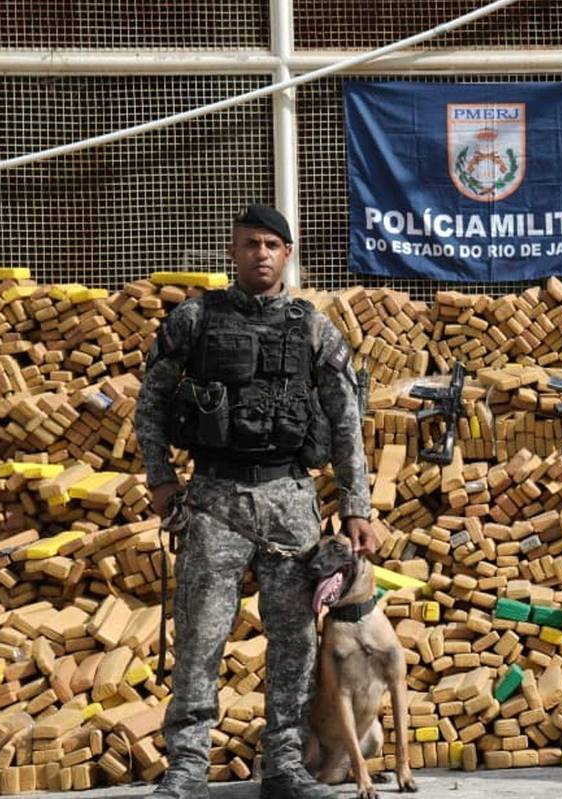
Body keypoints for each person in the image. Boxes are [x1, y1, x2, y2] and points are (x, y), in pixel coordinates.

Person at [134, 204, 376, 799]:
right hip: (215, 497)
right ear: (233, 252)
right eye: (249, 244)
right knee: (201, 636)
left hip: (290, 500)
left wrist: (356, 507)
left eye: (272, 244)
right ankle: (187, 766)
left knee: (294, 641)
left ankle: (286, 765)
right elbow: (152, 405)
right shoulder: (193, 321)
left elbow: (347, 421)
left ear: (287, 254)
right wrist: (161, 478)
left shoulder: (314, 328)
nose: (261, 254)